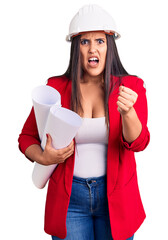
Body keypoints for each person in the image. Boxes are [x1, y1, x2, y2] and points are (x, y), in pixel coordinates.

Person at [18, 4, 150, 240]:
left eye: (100, 41)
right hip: (70, 200)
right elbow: (26, 136)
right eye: (84, 42)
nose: (92, 49)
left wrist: (128, 112)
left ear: (110, 46)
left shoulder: (130, 87)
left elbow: (138, 143)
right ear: (75, 48)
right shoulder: (56, 88)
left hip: (116, 199)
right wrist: (43, 157)